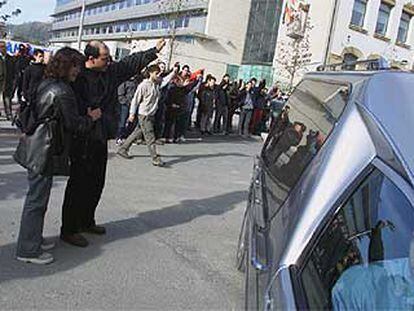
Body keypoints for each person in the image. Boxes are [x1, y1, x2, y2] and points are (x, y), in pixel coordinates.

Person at [60, 39, 165, 247]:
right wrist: (84, 113)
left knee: (96, 182)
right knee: (78, 185)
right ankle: (69, 229)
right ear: (91, 59)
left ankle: (87, 220)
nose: (109, 61)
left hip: (100, 136)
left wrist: (154, 50)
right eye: (104, 58)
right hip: (82, 137)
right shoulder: (77, 74)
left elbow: (130, 63)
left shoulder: (110, 72)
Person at [15, 47, 102, 264]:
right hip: (42, 150)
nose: (78, 71)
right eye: (75, 66)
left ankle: (33, 238)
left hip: (37, 145)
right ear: (66, 65)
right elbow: (74, 124)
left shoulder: (48, 82)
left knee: (37, 198)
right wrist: (91, 118)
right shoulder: (62, 91)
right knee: (37, 201)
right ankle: (27, 249)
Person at [117, 64, 165, 166]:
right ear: (151, 73)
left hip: (151, 114)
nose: (158, 75)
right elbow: (135, 100)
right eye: (157, 73)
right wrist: (132, 114)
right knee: (150, 136)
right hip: (144, 114)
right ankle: (155, 158)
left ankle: (123, 148)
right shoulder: (143, 85)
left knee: (137, 132)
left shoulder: (156, 85)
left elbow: (166, 80)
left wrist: (174, 72)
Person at [116, 75, 140, 145]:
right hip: (125, 105)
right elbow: (120, 94)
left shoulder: (136, 82)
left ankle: (129, 138)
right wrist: (126, 102)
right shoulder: (124, 82)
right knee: (122, 122)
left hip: (134, 105)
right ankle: (119, 137)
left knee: (132, 122)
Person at [0, 41, 15, 120]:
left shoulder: (10, 58)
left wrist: (13, 81)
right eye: (1, 47)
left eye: (3, 47)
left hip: (7, 82)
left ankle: (8, 114)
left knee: (7, 99)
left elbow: (13, 71)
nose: (2, 49)